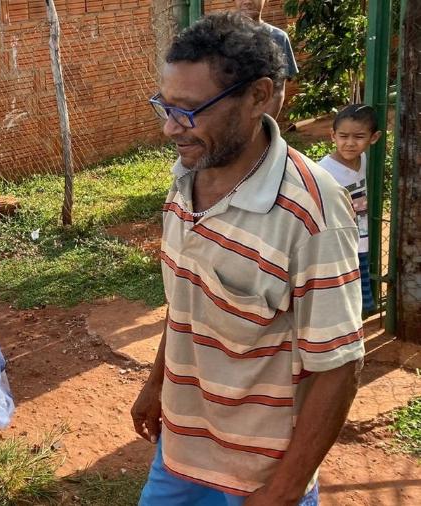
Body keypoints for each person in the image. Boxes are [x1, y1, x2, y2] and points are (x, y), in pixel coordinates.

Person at [136, 13, 363, 506]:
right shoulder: (186, 177)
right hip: (180, 448)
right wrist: (157, 384)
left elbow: (338, 368)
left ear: (259, 96)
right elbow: (186, 301)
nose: (171, 128)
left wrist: (281, 492)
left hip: (261, 472)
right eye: (166, 107)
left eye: (190, 111)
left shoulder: (312, 215)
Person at [317, 105, 381, 314]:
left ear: (374, 138)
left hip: (359, 236)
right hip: (335, 239)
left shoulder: (362, 160)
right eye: (343, 136)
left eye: (359, 137)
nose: (350, 143)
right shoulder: (323, 170)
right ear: (332, 136)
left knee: (358, 285)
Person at [235, 0, 298, 118]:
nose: (248, 1)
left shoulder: (278, 37)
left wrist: (263, 127)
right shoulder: (220, 37)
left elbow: (278, 91)